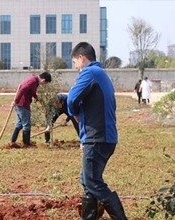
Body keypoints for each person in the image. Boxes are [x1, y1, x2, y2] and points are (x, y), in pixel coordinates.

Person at [67, 42, 127, 219]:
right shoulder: (102, 75)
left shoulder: (90, 73)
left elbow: (71, 99)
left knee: (92, 181)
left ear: (81, 57)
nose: (76, 67)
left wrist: (75, 114)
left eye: (75, 63)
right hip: (105, 137)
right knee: (87, 180)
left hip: (98, 138)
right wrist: (84, 138)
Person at [9, 71, 52, 147]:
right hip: (23, 104)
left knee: (19, 124)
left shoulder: (34, 80)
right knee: (26, 124)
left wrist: (36, 97)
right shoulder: (33, 81)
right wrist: (15, 101)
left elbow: (31, 91)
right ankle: (26, 144)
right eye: (45, 83)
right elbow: (22, 89)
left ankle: (12, 141)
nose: (44, 85)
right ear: (43, 80)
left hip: (21, 104)